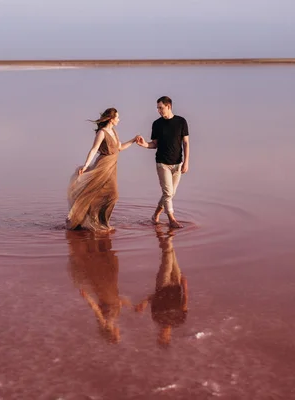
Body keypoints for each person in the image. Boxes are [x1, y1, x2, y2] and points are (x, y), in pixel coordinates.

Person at [67, 108, 138, 231]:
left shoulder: (114, 132)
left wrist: (133, 140)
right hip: (103, 166)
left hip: (112, 167)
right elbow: (94, 149)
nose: (119, 119)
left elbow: (119, 147)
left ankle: (99, 221)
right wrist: (85, 165)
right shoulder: (102, 133)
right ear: (111, 119)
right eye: (117, 117)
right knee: (101, 192)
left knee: (111, 195)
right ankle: (86, 218)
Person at [66, 230, 130, 344]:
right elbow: (117, 303)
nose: (119, 332)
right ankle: (97, 238)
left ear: (113, 334)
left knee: (101, 268)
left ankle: (92, 237)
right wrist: (129, 304)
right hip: (111, 292)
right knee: (107, 267)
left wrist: (87, 297)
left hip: (106, 292)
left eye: (118, 335)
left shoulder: (104, 322)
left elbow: (95, 309)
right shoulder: (113, 320)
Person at [136, 96, 190, 228]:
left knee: (170, 194)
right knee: (168, 193)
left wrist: (186, 162)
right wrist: (144, 145)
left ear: (169, 106)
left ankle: (155, 215)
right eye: (158, 108)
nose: (159, 111)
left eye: (161, 108)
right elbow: (154, 144)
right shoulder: (157, 124)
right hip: (162, 163)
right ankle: (172, 219)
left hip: (177, 163)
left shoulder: (181, 122)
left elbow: (186, 142)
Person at [134, 225, 189, 347]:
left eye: (160, 337)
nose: (162, 334)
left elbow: (154, 297)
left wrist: (143, 303)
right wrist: (184, 285)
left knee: (167, 258)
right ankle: (162, 234)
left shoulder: (157, 318)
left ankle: (165, 233)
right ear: (169, 337)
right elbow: (185, 302)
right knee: (171, 254)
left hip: (162, 284)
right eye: (164, 337)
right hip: (176, 283)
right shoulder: (178, 320)